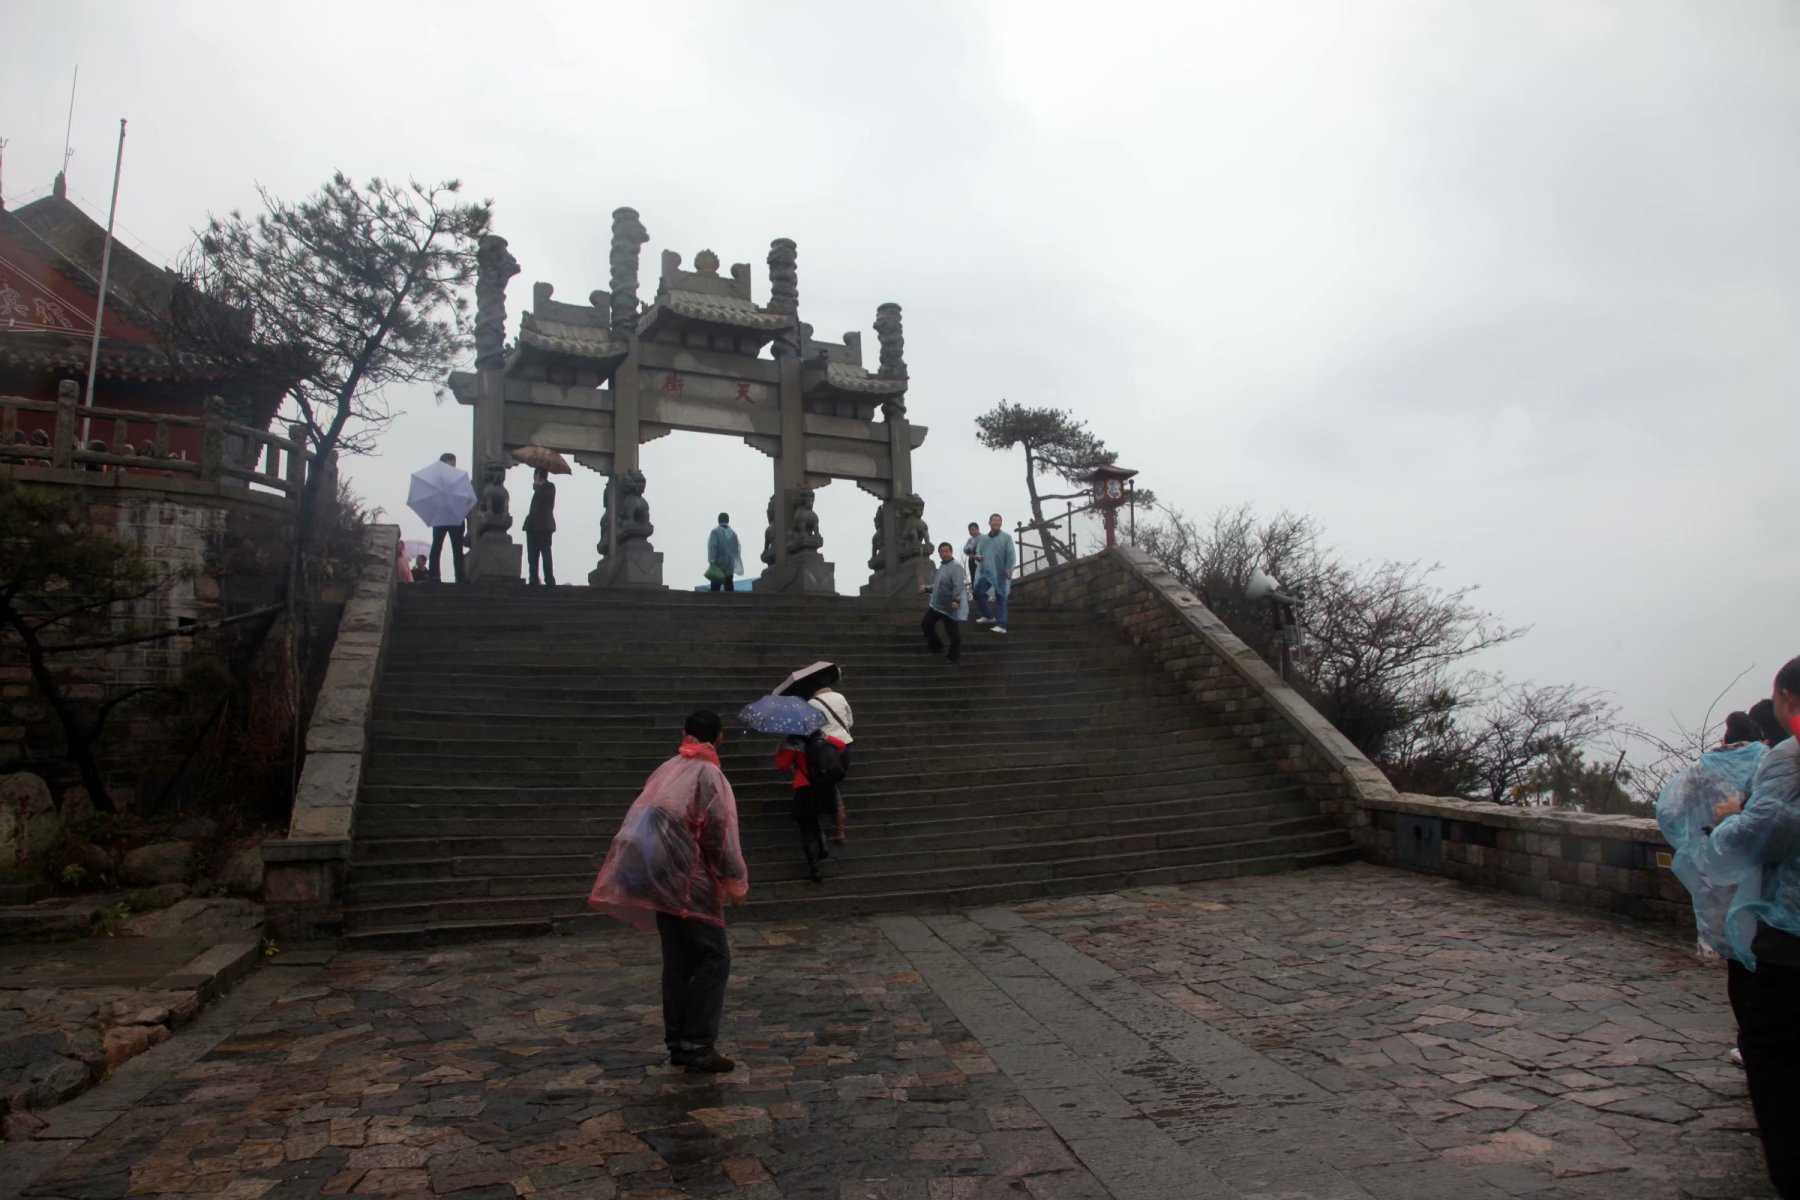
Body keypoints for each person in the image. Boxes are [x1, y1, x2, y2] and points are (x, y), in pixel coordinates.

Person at [588, 710, 748, 1074]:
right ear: (719, 738)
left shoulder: (666, 770)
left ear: (684, 734)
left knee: (677, 962)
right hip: (692, 884)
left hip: (659, 880)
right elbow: (719, 834)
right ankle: (698, 1043)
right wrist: (735, 880)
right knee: (713, 958)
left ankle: (678, 1041)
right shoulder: (710, 775)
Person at [1702, 656, 1800, 1196]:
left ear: (1786, 697)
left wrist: (1732, 817)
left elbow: (1761, 836)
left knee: (1772, 1053)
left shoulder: (1789, 758)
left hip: (1792, 939)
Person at [777, 713, 848, 883]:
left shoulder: (792, 743)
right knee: (815, 819)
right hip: (823, 787)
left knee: (806, 828)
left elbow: (783, 766)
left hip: (804, 787)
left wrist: (780, 750)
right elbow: (841, 745)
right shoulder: (821, 737)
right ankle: (822, 845)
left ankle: (814, 866)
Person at [806, 671, 854, 844]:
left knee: (830, 785)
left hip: (825, 749)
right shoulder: (840, 697)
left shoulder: (811, 703)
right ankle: (837, 822)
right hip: (846, 746)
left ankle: (838, 824)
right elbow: (849, 722)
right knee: (834, 781)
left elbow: (812, 728)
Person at [921, 541, 967, 665]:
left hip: (949, 605)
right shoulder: (942, 566)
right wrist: (927, 588)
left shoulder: (956, 566)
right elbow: (939, 585)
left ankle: (954, 657)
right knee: (926, 624)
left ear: (951, 552)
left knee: (953, 632)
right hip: (937, 604)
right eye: (941, 552)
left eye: (946, 551)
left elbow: (958, 584)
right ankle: (937, 647)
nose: (944, 553)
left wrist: (956, 600)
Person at [427, 452, 469, 583]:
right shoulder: (437, 480)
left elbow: (466, 496)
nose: (454, 465)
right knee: (437, 546)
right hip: (443, 516)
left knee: (457, 548)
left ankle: (459, 576)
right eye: (452, 462)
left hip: (454, 516)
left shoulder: (459, 478)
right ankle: (434, 575)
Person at [972, 513, 1017, 634]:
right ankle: (988, 616)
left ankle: (1001, 625)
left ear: (1001, 523)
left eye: (999, 521)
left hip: (1001, 572)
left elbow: (1011, 555)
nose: (997, 522)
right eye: (994, 520)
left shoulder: (1006, 537)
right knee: (977, 593)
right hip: (987, 572)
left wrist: (1009, 569)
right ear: (989, 523)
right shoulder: (984, 539)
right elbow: (979, 552)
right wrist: (978, 557)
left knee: (1001, 598)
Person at [522, 467, 557, 586]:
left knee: (546, 553)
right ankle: (533, 578)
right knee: (532, 555)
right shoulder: (539, 490)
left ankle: (549, 578)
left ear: (537, 475)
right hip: (532, 527)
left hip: (544, 526)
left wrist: (538, 488)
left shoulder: (550, 487)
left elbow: (548, 501)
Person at [707, 513, 744, 594]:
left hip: (717, 566)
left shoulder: (715, 532)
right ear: (728, 520)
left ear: (718, 520)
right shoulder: (733, 534)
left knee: (715, 590)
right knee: (729, 588)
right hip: (730, 566)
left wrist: (711, 561)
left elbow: (712, 547)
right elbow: (737, 549)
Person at [963, 522, 983, 593]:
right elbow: (965, 549)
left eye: (973, 530)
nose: (971, 532)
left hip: (981, 561)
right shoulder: (970, 540)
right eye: (970, 530)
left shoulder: (983, 538)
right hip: (971, 560)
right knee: (973, 577)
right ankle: (975, 593)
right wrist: (970, 551)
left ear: (977, 529)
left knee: (980, 578)